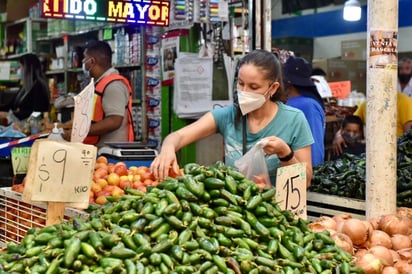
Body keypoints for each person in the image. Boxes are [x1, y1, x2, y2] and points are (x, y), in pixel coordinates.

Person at [150, 49, 314, 187]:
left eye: (254, 87)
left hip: (275, 217)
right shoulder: (228, 115)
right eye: (241, 84)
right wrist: (167, 150)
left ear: (273, 88)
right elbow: (178, 136)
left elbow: (305, 181)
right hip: (234, 216)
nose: (244, 91)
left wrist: (284, 153)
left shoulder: (294, 120)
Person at [62, 40, 134, 147]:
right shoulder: (99, 83)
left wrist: (81, 132)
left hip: (111, 153)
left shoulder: (113, 85)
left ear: (92, 61)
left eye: (84, 58)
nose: (82, 61)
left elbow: (114, 121)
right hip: (99, 149)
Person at [333, 91, 412, 155]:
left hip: (396, 154)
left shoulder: (405, 102)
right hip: (372, 153)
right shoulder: (368, 103)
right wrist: (339, 135)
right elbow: (351, 122)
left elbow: (409, 138)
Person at [283, 56, 326, 166]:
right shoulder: (303, 102)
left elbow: (314, 144)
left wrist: (312, 173)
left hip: (303, 171)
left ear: (288, 83)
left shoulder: (307, 105)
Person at [0, 53, 50, 132]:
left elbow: (37, 113)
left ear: (28, 69)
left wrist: (10, 116)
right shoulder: (24, 88)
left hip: (31, 130)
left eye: (20, 67)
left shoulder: (39, 87)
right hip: (20, 127)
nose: (18, 71)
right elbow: (10, 105)